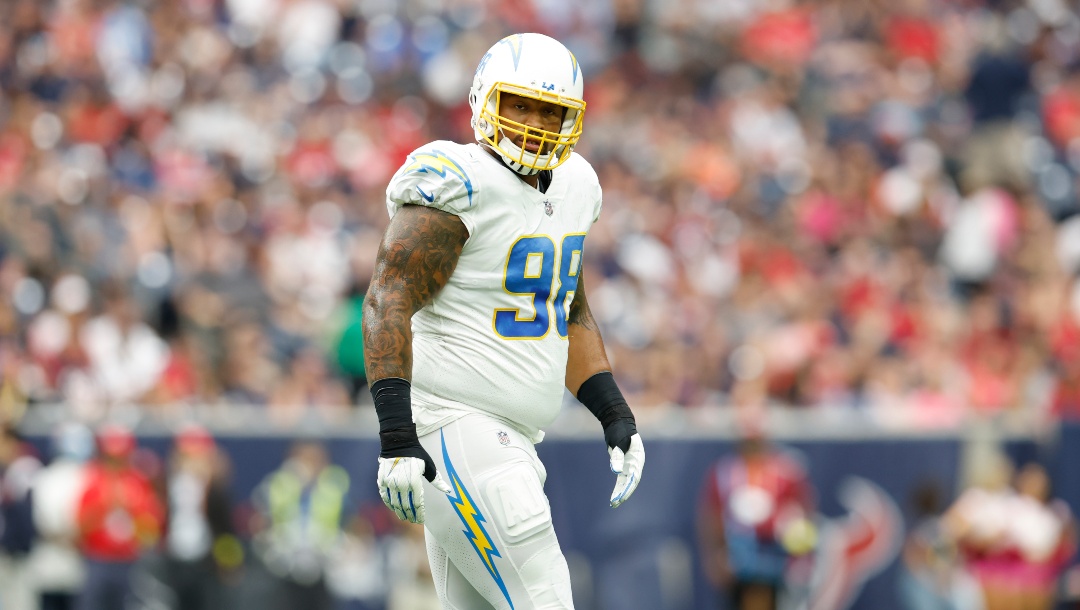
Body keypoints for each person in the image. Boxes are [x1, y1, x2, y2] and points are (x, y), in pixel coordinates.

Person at [362, 32, 645, 609]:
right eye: (520, 104)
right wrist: (395, 433)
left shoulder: (576, 185)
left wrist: (612, 409)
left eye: (551, 110)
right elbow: (387, 297)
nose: (536, 123)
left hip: (507, 438)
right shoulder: (458, 179)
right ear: (483, 101)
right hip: (454, 427)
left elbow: (563, 305)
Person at [696, 408, 817, 610]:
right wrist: (714, 555)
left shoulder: (787, 471)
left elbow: (804, 511)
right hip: (737, 557)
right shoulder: (724, 472)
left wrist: (801, 557)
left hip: (775, 555)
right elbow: (711, 516)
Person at [74, 423, 165, 610]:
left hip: (128, 561)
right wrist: (104, 507)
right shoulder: (94, 482)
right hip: (98, 559)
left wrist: (132, 512)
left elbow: (151, 530)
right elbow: (80, 527)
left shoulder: (139, 484)